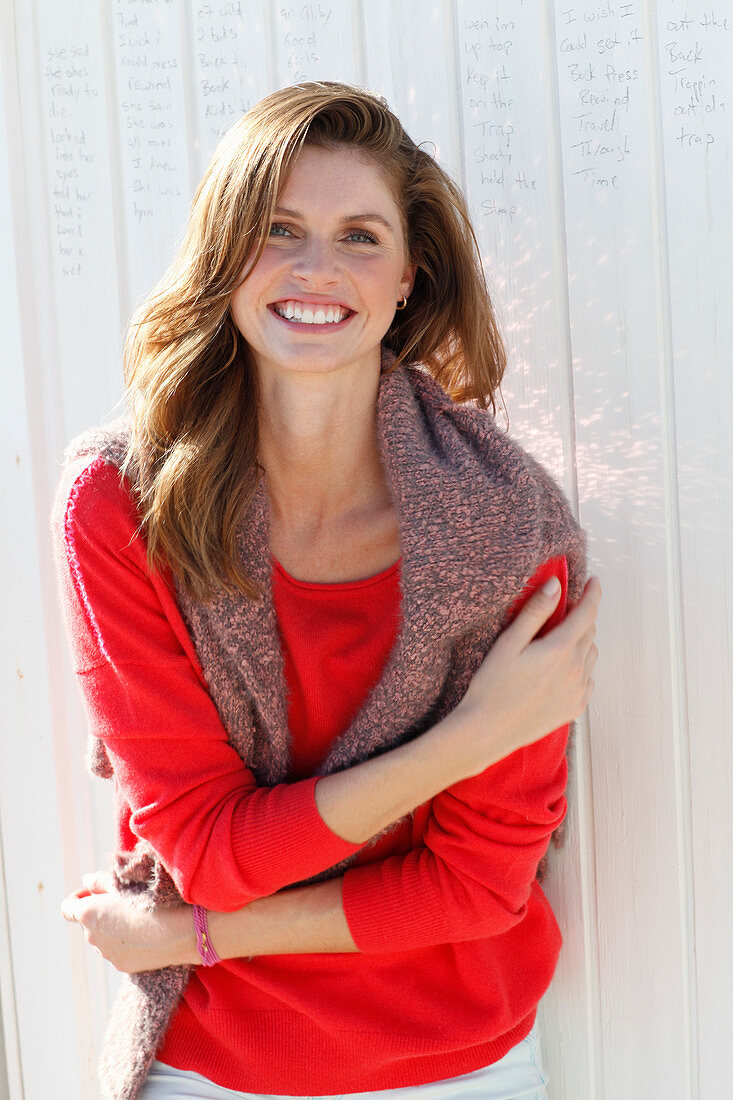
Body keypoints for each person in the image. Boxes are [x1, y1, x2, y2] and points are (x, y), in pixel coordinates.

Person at [52, 81, 600, 1100]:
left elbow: (476, 887)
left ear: (407, 278)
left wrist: (198, 933)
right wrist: (462, 743)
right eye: (278, 228)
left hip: (460, 1066)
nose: (315, 267)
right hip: (211, 1070)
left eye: (359, 236)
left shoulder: (509, 526)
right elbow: (210, 849)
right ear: (224, 259)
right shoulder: (122, 505)